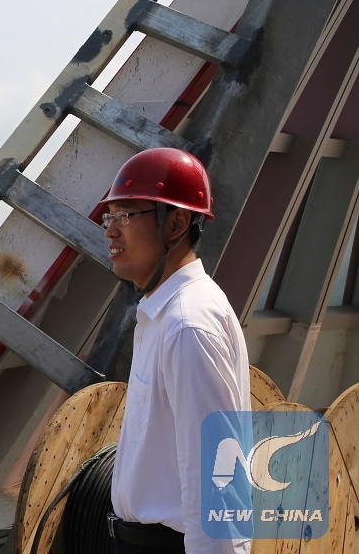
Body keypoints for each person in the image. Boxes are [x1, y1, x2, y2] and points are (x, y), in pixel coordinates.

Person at [100, 147, 252, 553]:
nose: (110, 231)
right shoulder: (164, 313)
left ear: (176, 224)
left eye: (125, 215)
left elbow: (219, 483)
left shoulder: (188, 326)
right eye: (108, 217)